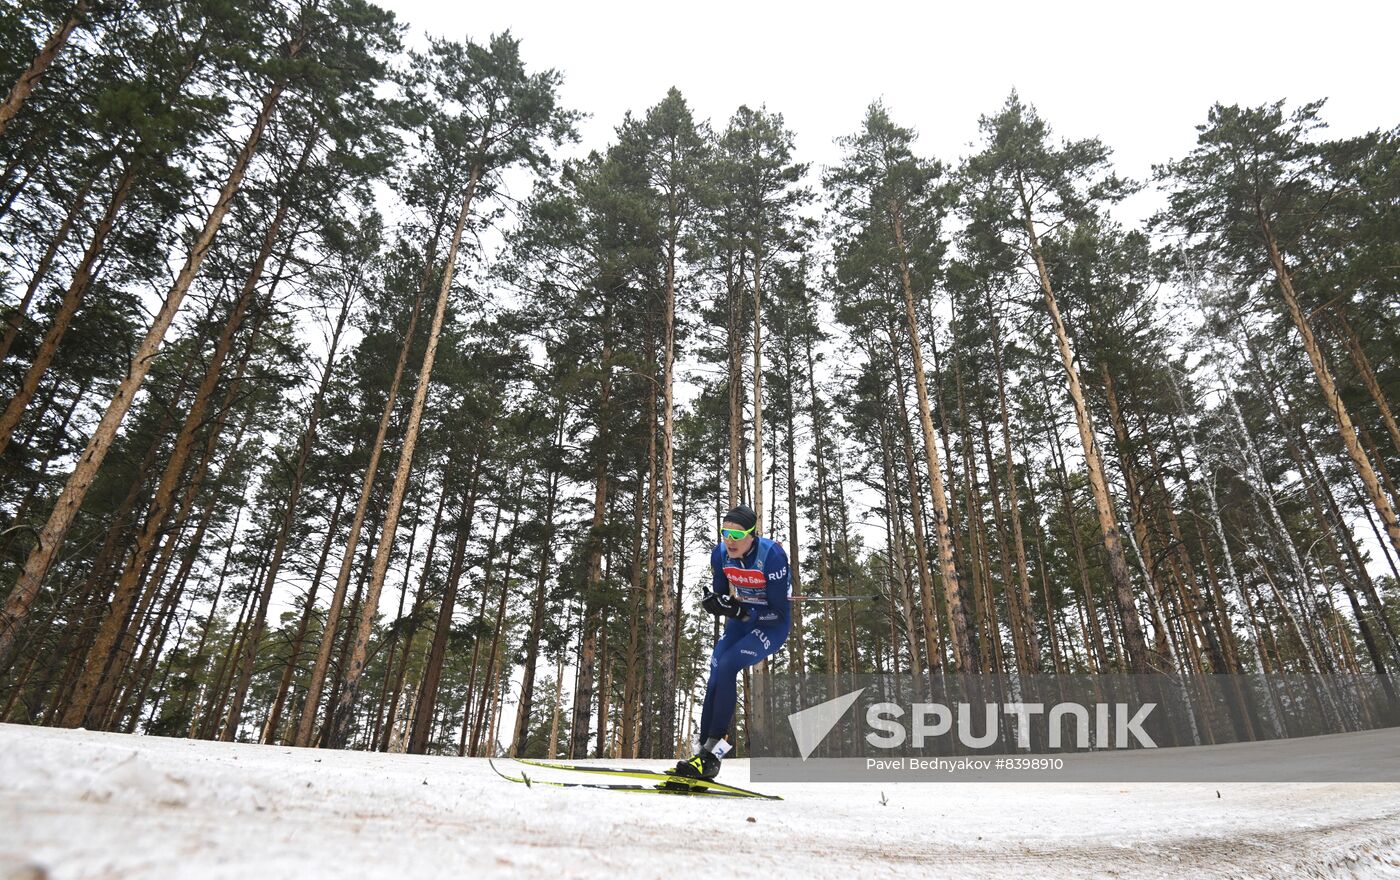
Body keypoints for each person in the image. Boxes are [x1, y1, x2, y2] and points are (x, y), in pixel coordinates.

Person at [671, 504, 791, 782]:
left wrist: (740, 610)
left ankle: (713, 756)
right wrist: (716, 603)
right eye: (726, 533)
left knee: (727, 666)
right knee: (715, 670)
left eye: (737, 535)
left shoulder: (771, 555)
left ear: (753, 534)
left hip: (771, 624)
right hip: (742, 620)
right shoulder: (720, 554)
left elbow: (778, 611)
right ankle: (702, 752)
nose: (730, 540)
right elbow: (723, 596)